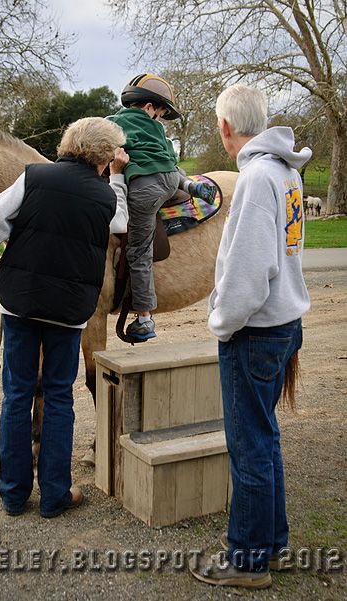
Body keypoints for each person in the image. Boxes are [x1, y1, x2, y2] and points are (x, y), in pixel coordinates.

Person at [0, 117, 129, 519]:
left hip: (20, 305)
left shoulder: (33, 176)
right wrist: (118, 179)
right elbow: (121, 223)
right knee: (58, 397)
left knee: (17, 396)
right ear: (106, 156)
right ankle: (55, 494)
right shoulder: (105, 195)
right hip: (68, 312)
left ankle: (13, 494)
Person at [189, 84, 311, 589]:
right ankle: (272, 543)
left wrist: (221, 322)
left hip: (254, 333)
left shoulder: (258, 176)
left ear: (224, 127)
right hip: (284, 323)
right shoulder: (284, 172)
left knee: (249, 445)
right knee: (265, 438)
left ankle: (248, 559)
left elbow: (248, 269)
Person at [107, 73, 216, 341]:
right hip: (170, 176)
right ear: (148, 108)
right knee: (167, 168)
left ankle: (144, 318)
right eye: (161, 113)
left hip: (146, 187)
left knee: (139, 250)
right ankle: (192, 187)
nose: (160, 119)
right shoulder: (157, 131)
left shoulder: (113, 123)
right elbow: (169, 158)